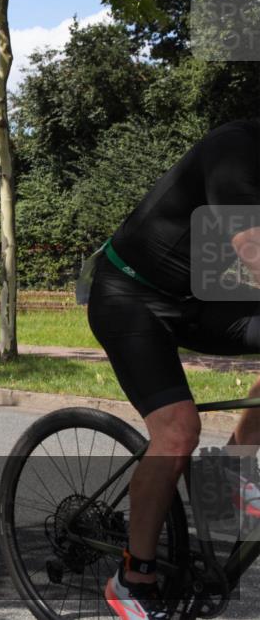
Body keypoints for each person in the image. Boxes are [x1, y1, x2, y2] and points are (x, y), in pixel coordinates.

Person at [85, 119, 260, 619]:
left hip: (194, 298)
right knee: (178, 431)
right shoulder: (236, 150)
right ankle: (132, 578)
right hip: (128, 295)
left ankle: (230, 473)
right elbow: (252, 250)